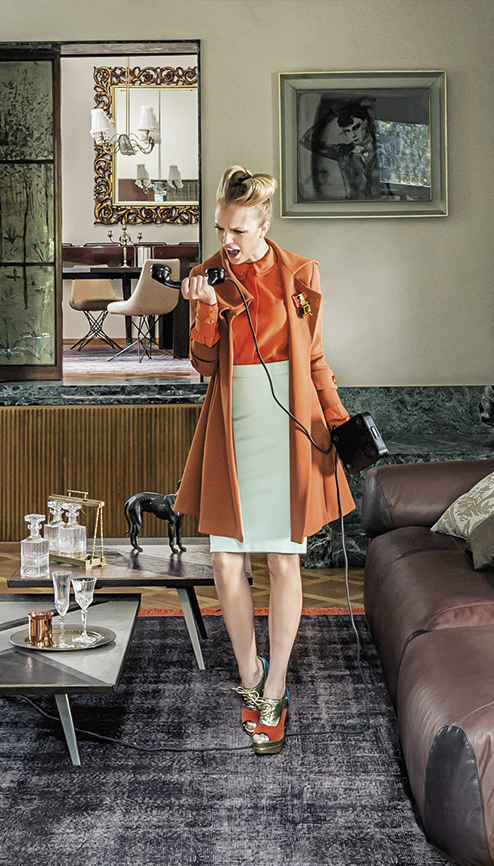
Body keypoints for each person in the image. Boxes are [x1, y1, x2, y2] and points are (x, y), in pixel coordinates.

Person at [174, 166, 356, 755]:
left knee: (281, 560)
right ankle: (249, 672)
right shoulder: (206, 276)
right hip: (234, 423)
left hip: (289, 425)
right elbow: (203, 365)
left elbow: (315, 358)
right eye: (220, 228)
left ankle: (275, 687)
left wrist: (338, 420)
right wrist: (206, 310)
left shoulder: (300, 274)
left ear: (264, 224)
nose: (227, 240)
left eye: (238, 230)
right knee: (226, 562)